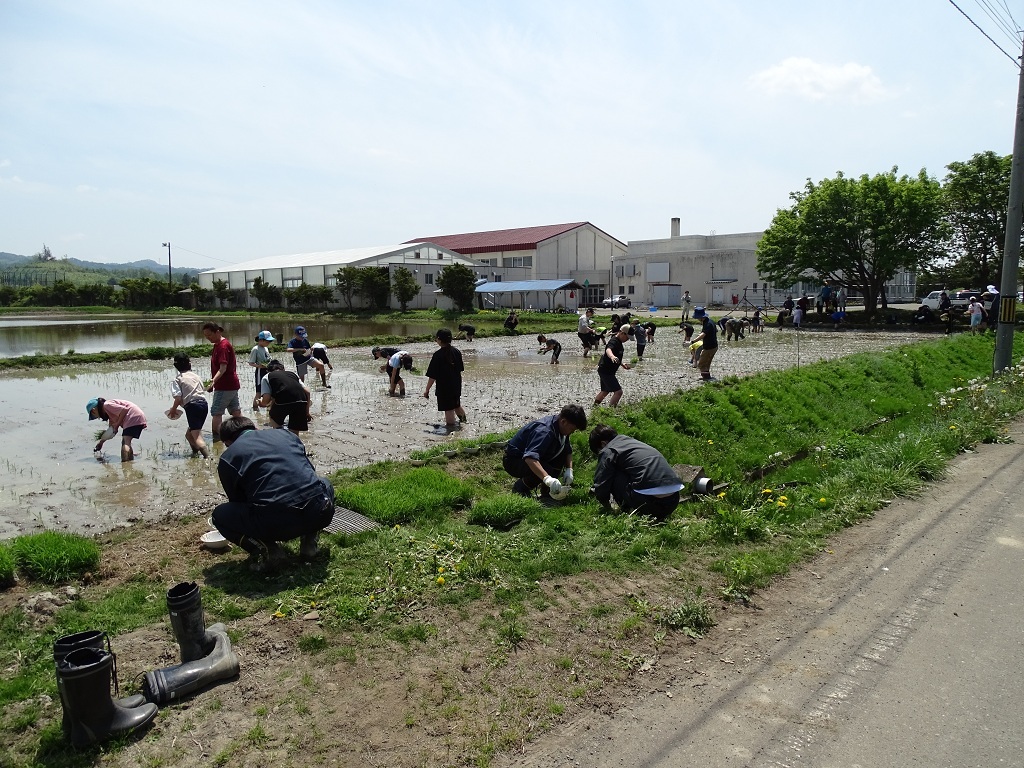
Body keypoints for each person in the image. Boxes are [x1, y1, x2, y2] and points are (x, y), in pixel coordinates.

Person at [211, 416, 335, 571]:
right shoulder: (286, 434)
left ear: (227, 443)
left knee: (219, 515)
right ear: (255, 428)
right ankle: (309, 543)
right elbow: (310, 473)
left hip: (274, 525)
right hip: (319, 513)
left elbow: (237, 502)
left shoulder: (228, 458)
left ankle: (269, 551)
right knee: (324, 483)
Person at [588, 424, 685, 521]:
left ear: (603, 444)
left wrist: (605, 504)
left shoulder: (609, 449)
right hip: (673, 501)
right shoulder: (631, 442)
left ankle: (628, 509)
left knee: (613, 473)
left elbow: (602, 483)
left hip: (649, 503)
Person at [502, 404, 587, 500]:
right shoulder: (545, 431)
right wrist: (547, 478)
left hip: (532, 457)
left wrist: (569, 470)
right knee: (547, 470)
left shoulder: (561, 427)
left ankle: (548, 493)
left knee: (561, 454)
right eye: (572, 429)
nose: (572, 432)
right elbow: (530, 458)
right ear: (563, 421)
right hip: (514, 460)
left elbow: (567, 449)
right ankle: (520, 488)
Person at [202, 322, 241, 438]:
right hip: (231, 385)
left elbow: (223, 368)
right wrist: (213, 383)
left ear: (217, 332)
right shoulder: (217, 345)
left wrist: (212, 381)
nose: (208, 338)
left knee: (216, 412)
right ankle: (243, 433)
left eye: (209, 335)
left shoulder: (223, 346)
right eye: (206, 336)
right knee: (236, 412)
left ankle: (217, 439)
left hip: (225, 386)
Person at [167, 352, 210, 458]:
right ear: (189, 364)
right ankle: (195, 453)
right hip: (204, 404)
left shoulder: (177, 379)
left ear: (176, 366)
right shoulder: (196, 376)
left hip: (192, 406)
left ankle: (208, 458)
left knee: (197, 436)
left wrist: (173, 410)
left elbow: (178, 398)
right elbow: (204, 389)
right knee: (189, 434)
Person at [423, 328, 467, 430]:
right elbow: (460, 370)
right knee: (457, 406)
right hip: (456, 385)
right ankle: (464, 423)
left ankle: (452, 432)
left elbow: (432, 376)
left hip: (444, 388)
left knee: (449, 410)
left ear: (439, 339)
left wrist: (427, 390)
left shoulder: (438, 355)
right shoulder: (456, 352)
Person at [259, 360, 312, 434]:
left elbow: (266, 400)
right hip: (301, 400)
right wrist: (307, 412)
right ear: (283, 369)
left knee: (273, 416)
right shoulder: (292, 374)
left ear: (267, 371)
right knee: (295, 431)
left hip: (283, 401)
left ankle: (279, 434)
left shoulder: (267, 376)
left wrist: (260, 402)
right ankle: (294, 442)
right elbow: (307, 392)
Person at [87, 397, 146, 462]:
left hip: (132, 416)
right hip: (136, 416)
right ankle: (130, 461)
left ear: (94, 410)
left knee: (126, 442)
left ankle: (125, 464)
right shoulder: (110, 413)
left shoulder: (107, 405)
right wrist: (101, 442)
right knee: (126, 442)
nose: (98, 418)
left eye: (94, 415)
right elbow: (111, 431)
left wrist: (117, 424)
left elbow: (124, 410)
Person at [594, 325, 632, 407]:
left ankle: (595, 406)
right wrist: (612, 356)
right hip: (606, 371)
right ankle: (611, 410)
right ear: (622, 333)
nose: (627, 339)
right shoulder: (614, 341)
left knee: (605, 390)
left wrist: (622, 364)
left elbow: (617, 356)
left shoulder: (619, 342)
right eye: (627, 337)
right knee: (618, 392)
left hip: (606, 370)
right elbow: (608, 350)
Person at [248, 331, 274, 410]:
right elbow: (251, 363)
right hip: (260, 372)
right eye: (267, 341)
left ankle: (269, 409)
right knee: (259, 392)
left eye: (270, 341)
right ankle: (255, 409)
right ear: (261, 340)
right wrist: (259, 366)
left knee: (269, 391)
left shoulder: (265, 348)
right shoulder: (255, 349)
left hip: (268, 371)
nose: (269, 343)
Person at [691, 307, 718, 382]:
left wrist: (693, 341)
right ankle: (706, 376)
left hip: (709, 347)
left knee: (702, 364)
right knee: (707, 362)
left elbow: (703, 334)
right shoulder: (710, 321)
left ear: (701, 317)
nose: (697, 319)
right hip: (713, 346)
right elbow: (715, 331)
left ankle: (707, 378)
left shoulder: (708, 324)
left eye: (697, 318)